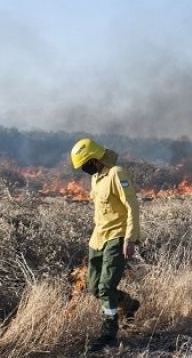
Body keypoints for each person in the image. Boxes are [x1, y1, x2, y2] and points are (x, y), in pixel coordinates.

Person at [70, 138, 141, 352]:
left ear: (96, 158)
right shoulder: (96, 179)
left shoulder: (116, 173)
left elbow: (132, 206)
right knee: (94, 288)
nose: (85, 170)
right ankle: (129, 304)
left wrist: (130, 238)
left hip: (117, 237)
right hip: (97, 239)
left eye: (86, 164)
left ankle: (108, 334)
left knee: (106, 287)